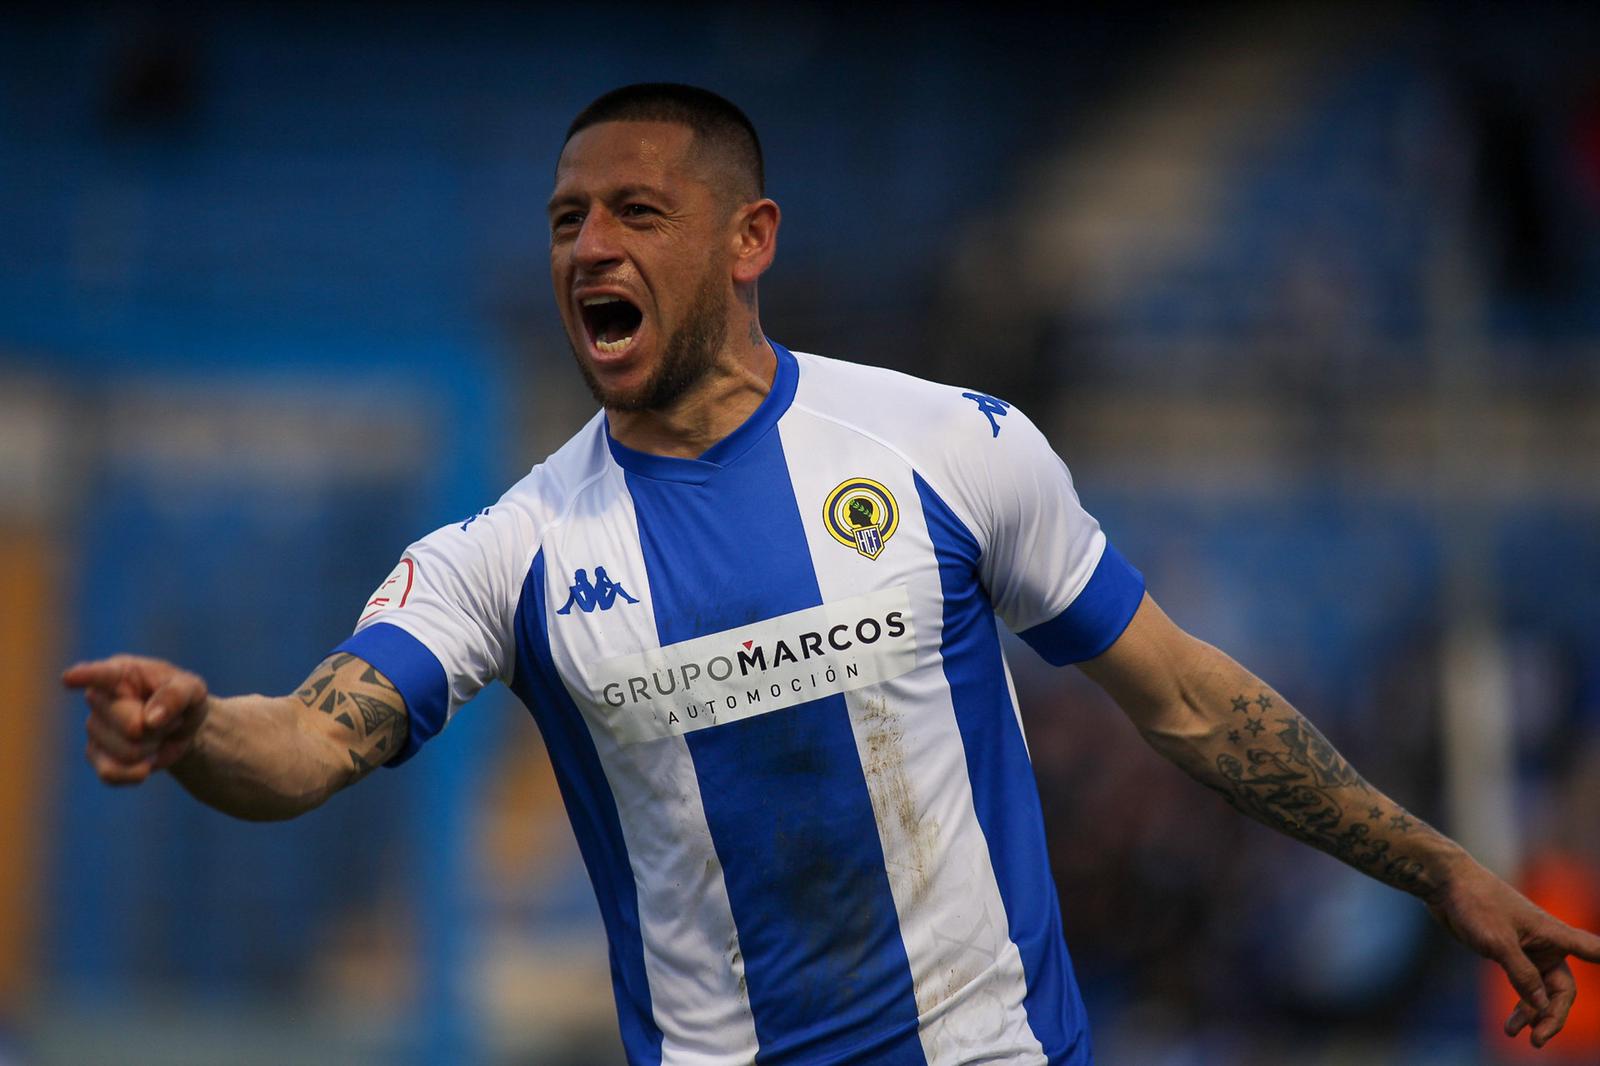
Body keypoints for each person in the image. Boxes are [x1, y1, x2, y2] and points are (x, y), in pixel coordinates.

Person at [64, 83, 1600, 1065]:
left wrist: (1444, 866)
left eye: (635, 212)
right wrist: (203, 727)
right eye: (563, 221)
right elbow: (310, 740)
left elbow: (1192, 700)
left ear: (751, 241)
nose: (586, 245)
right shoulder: (508, 550)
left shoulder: (948, 445)